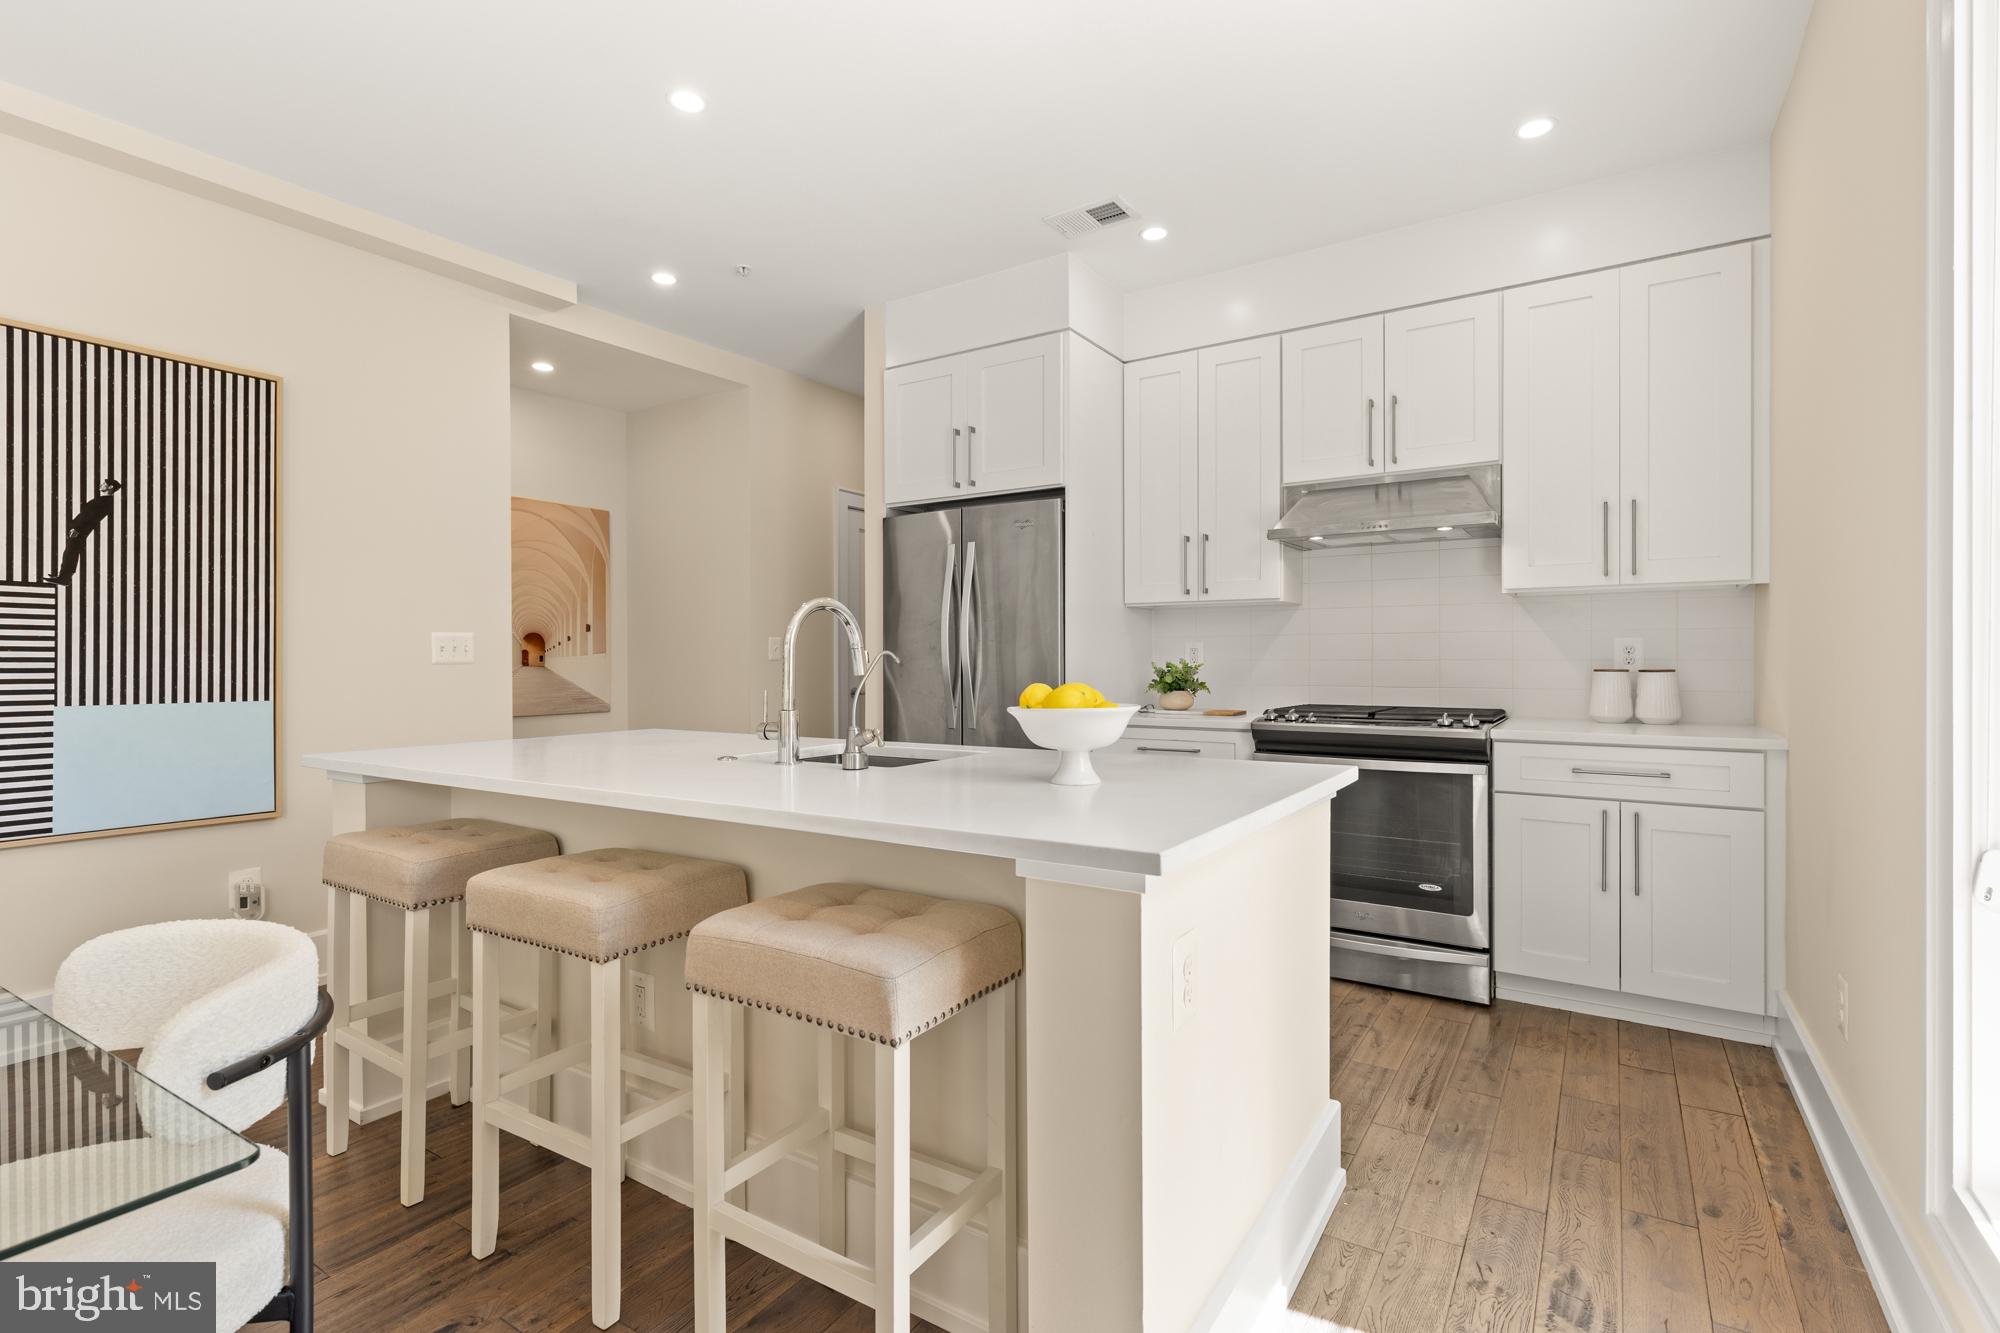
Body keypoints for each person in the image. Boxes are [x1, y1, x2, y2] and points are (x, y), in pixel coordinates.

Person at [43, 479, 123, 588]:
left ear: (110, 487)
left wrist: (76, 528)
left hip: (80, 530)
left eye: (104, 484)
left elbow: (90, 517)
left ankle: (64, 578)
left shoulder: (106, 501)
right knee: (70, 551)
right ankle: (63, 576)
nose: (101, 485)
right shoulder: (103, 499)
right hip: (79, 528)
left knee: (71, 552)